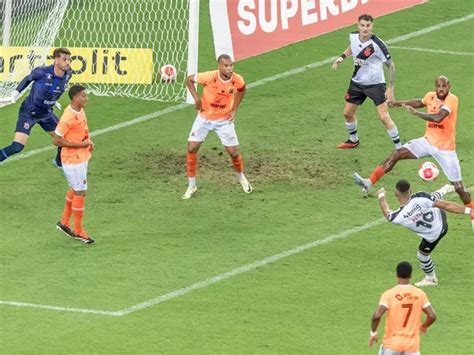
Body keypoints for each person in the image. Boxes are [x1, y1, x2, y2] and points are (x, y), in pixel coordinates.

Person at [353, 75, 473, 229]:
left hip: (445, 149)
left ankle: (472, 211)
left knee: (458, 187)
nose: (441, 89)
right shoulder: (430, 96)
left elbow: (438, 117)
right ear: (435, 86)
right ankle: (368, 183)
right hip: (427, 141)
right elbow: (419, 102)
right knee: (397, 153)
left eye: (444, 86)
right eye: (438, 86)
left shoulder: (452, 100)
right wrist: (398, 103)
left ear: (449, 87)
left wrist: (416, 114)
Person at [377, 180, 474, 286]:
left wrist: (381, 195)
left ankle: (431, 279)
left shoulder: (396, 217)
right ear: (411, 190)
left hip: (434, 235)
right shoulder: (419, 196)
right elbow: (446, 205)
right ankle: (445, 189)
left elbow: (386, 211)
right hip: (441, 218)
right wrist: (470, 211)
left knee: (422, 256)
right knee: (429, 199)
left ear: (396, 194)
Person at [183, 53, 252, 199]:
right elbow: (188, 80)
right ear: (219, 66)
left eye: (231, 65)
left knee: (233, 152)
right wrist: (196, 99)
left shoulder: (237, 80)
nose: (230, 68)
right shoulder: (209, 76)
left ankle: (241, 178)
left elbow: (242, 89)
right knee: (191, 148)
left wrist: (234, 110)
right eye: (226, 66)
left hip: (224, 120)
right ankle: (191, 186)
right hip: (204, 118)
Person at [331, 14, 400, 150]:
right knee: (347, 113)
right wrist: (342, 57)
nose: (365, 28)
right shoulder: (353, 36)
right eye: (362, 25)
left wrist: (391, 87)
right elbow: (352, 47)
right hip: (357, 82)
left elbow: (391, 65)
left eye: (368, 25)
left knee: (383, 116)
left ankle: (400, 148)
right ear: (358, 25)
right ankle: (353, 140)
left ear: (372, 26)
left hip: (375, 84)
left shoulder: (378, 44)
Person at [0, 47, 72, 167]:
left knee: (64, 139)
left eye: (69, 60)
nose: (68, 63)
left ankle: (58, 163)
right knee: (17, 146)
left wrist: (53, 101)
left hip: (46, 113)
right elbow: (28, 79)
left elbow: (58, 87)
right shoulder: (42, 72)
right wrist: (14, 95)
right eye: (64, 59)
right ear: (56, 60)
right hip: (29, 112)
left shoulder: (68, 74)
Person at [53, 85, 95, 244]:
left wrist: (87, 142)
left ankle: (64, 222)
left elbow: (80, 132)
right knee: (80, 192)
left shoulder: (79, 110)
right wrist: (80, 145)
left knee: (75, 188)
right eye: (83, 96)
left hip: (80, 156)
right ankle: (78, 231)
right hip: (72, 159)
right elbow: (56, 140)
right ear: (75, 98)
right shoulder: (68, 117)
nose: (86, 98)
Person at [369, 261, 437, 354]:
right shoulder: (420, 294)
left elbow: (377, 316)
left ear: (396, 274)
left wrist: (373, 333)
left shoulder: (389, 294)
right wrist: (423, 327)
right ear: (410, 276)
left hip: (392, 345)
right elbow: (432, 316)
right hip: (412, 346)